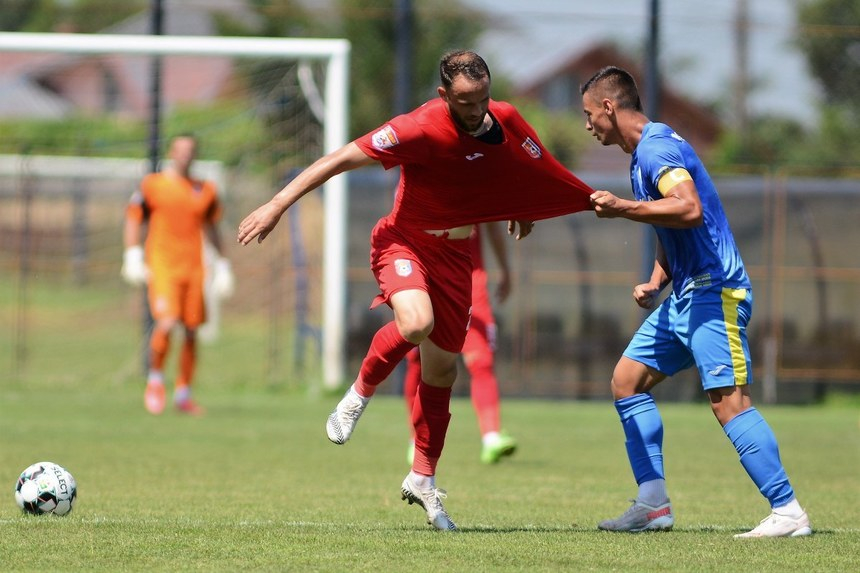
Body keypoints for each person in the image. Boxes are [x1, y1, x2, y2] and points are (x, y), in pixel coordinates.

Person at [238, 50, 593, 530]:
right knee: (416, 322)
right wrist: (277, 205)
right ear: (443, 95)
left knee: (442, 371)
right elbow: (341, 157)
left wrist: (523, 204)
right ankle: (359, 393)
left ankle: (423, 479)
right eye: (466, 102)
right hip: (403, 243)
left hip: (455, 259)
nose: (478, 110)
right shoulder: (416, 128)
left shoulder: (503, 117)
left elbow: (532, 165)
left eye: (483, 98)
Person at [580, 66, 811, 538]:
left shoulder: (656, 148)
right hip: (686, 295)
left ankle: (788, 511)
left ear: (609, 107)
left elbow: (688, 208)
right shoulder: (641, 155)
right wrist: (656, 280)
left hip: (715, 290)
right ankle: (653, 504)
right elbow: (672, 226)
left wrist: (623, 208)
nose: (588, 126)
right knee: (627, 381)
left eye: (589, 115)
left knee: (729, 401)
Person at [121, 134, 234, 416]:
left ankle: (184, 394)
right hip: (163, 265)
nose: (185, 154)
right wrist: (132, 253)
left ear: (196, 154)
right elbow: (134, 218)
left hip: (195, 267)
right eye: (180, 149)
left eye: (191, 150)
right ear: (172, 152)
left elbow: (212, 228)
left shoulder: (205, 189)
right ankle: (156, 379)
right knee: (168, 322)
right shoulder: (152, 185)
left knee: (192, 330)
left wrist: (223, 264)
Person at [403, 222, 517, 465]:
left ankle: (491, 437)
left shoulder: (479, 186)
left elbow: (494, 226)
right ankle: (417, 440)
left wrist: (505, 269)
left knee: (482, 360)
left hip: (470, 280)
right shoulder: (414, 185)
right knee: (418, 360)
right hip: (425, 276)